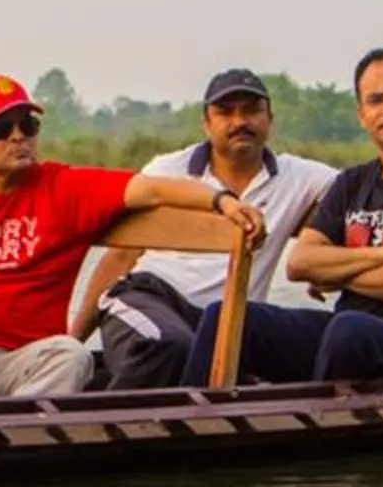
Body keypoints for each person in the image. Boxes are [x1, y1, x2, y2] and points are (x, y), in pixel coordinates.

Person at [0, 74, 267, 398]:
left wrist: (221, 200)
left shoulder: (64, 188)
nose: (18, 136)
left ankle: (13, 440)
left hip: (28, 361)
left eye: (27, 125)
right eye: (1, 129)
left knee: (71, 356)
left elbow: (152, 190)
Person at [182, 47, 383, 385]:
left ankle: (312, 430)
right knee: (225, 317)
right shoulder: (351, 183)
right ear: (361, 114)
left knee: (349, 329)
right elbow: (301, 264)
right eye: (376, 100)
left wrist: (338, 273)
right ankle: (192, 426)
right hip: (348, 338)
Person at [69, 67, 334, 388]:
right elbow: (121, 257)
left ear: (270, 120)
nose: (240, 122)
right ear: (206, 124)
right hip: (152, 296)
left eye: (252, 111)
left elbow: (361, 198)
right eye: (225, 112)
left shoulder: (299, 178)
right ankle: (105, 432)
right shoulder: (168, 171)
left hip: (229, 322)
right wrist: (74, 341)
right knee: (168, 346)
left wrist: (328, 256)